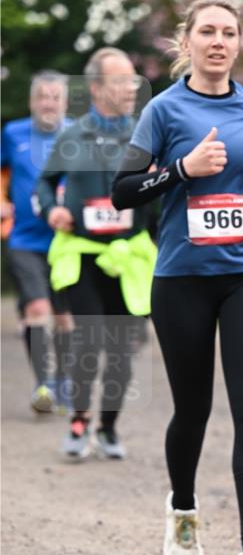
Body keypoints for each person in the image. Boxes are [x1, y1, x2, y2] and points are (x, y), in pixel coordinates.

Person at [111, 0, 243, 555]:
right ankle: (184, 513)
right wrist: (183, 170)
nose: (219, 41)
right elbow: (122, 191)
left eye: (229, 33)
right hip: (182, 279)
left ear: (240, 44)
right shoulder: (164, 111)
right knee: (192, 408)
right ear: (186, 43)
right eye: (207, 32)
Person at [35, 48, 155, 461]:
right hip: (84, 251)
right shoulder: (72, 135)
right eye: (121, 81)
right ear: (97, 88)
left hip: (129, 253)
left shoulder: (144, 133)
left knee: (121, 347)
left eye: (135, 80)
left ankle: (108, 426)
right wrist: (54, 210)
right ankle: (78, 420)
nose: (131, 88)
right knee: (87, 340)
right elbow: (45, 185)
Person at [1, 71, 74, 413]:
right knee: (37, 310)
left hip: (68, 242)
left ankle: (62, 380)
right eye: (42, 96)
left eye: (54, 97)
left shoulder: (78, 132)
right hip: (25, 240)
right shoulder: (13, 132)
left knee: (64, 316)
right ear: (32, 101)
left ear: (64, 101)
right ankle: (43, 384)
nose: (48, 103)